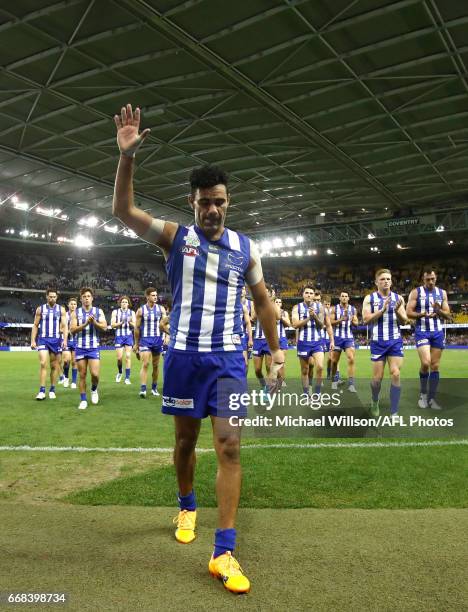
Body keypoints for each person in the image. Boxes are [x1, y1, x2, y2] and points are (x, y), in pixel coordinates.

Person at [112, 104, 283, 594]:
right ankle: (186, 505)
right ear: (192, 202)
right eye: (205, 201)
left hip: (228, 361)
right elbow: (123, 212)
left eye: (220, 202)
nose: (213, 209)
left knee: (229, 446)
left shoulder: (246, 248)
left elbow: (265, 301)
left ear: (228, 203)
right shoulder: (175, 238)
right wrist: (126, 157)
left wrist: (275, 352)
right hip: (184, 358)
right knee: (185, 443)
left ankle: (224, 551)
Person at [362, 269, 409, 416]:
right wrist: (382, 310)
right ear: (376, 282)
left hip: (395, 340)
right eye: (382, 279)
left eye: (388, 279)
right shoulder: (369, 299)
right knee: (377, 379)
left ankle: (394, 411)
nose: (386, 281)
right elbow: (366, 319)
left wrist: (396, 311)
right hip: (378, 342)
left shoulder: (398, 298)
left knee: (395, 374)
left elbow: (405, 321)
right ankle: (375, 400)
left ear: (391, 281)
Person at [406, 269, 451, 410]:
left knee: (435, 366)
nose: (430, 282)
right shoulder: (416, 292)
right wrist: (422, 314)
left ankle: (432, 399)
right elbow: (408, 312)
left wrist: (439, 311)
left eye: (432, 279)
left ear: (436, 278)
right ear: (423, 280)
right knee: (426, 363)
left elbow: (448, 315)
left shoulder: (442, 293)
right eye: (427, 279)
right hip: (422, 332)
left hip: (437, 332)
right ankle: (423, 395)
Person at [292, 286, 334, 400]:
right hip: (303, 342)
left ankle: (317, 393)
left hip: (317, 342)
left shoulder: (319, 307)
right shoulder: (297, 308)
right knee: (305, 370)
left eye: (311, 293)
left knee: (320, 366)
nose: (309, 295)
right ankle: (306, 394)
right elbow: (294, 325)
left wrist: (314, 316)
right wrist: (307, 319)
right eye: (307, 293)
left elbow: (321, 326)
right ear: (303, 294)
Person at [70, 287, 107, 410]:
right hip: (80, 347)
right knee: (82, 375)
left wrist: (94, 323)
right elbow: (72, 330)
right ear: (81, 299)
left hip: (93, 348)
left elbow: (105, 327)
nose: (86, 298)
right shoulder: (75, 313)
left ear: (92, 298)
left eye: (88, 296)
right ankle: (83, 400)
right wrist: (86, 323)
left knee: (95, 375)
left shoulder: (98, 311)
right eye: (84, 296)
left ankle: (94, 389)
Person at [31, 288, 68, 400]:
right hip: (43, 340)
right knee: (43, 363)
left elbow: (65, 326)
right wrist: (33, 340)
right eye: (50, 296)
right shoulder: (40, 309)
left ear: (56, 297)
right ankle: (42, 391)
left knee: (54, 366)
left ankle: (52, 389)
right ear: (47, 297)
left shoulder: (61, 310)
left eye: (54, 296)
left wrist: (65, 340)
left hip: (56, 340)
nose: (52, 298)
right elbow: (35, 325)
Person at [133, 287, 166, 398]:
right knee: (146, 363)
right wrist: (136, 344)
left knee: (156, 366)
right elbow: (137, 328)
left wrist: (167, 335)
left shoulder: (161, 309)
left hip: (157, 340)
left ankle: (154, 388)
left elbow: (165, 324)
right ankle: (143, 389)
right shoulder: (141, 310)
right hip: (145, 340)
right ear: (147, 296)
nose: (155, 297)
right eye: (153, 295)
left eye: (156, 295)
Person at [251, 285, 281, 391]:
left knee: (269, 367)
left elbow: (278, 316)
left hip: (269, 340)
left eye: (266, 291)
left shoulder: (273, 304)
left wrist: (271, 302)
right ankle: (264, 385)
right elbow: (253, 318)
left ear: (269, 293)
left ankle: (267, 390)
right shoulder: (255, 303)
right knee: (257, 370)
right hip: (258, 340)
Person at [330, 291, 358, 392]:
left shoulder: (353, 309)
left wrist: (350, 320)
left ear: (348, 298)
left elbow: (356, 323)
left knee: (351, 359)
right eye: (342, 296)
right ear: (339, 298)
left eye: (346, 296)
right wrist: (341, 319)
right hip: (337, 337)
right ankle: (334, 381)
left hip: (348, 338)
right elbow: (330, 322)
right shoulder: (334, 309)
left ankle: (351, 384)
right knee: (334, 361)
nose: (344, 298)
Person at [111, 295, 135, 385]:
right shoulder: (115, 312)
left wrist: (129, 321)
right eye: (122, 302)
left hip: (128, 336)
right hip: (119, 336)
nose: (124, 303)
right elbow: (112, 325)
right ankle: (120, 372)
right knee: (119, 358)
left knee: (128, 356)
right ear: (120, 303)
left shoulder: (132, 313)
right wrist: (122, 322)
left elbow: (136, 325)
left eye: (126, 302)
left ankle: (127, 378)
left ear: (128, 304)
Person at [62, 297, 78, 389]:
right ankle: (66, 378)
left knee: (74, 362)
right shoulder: (64, 316)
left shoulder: (79, 315)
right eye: (71, 304)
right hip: (66, 341)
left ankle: (74, 382)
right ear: (68, 305)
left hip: (76, 341)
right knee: (66, 360)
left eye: (75, 304)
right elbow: (60, 328)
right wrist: (67, 332)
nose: (73, 305)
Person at [274, 297, 290, 383]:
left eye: (280, 302)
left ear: (281, 304)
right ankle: (276, 378)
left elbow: (288, 324)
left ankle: (282, 380)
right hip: (272, 339)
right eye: (276, 302)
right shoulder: (270, 312)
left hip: (282, 339)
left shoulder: (285, 313)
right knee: (273, 362)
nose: (278, 303)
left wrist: (281, 317)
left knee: (282, 362)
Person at [240, 286, 253, 371]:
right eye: (240, 288)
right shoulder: (231, 303)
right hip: (238, 334)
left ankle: (243, 381)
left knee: (246, 362)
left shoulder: (250, 303)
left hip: (246, 334)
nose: (241, 290)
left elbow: (253, 318)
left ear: (246, 292)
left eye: (243, 289)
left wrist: (250, 339)